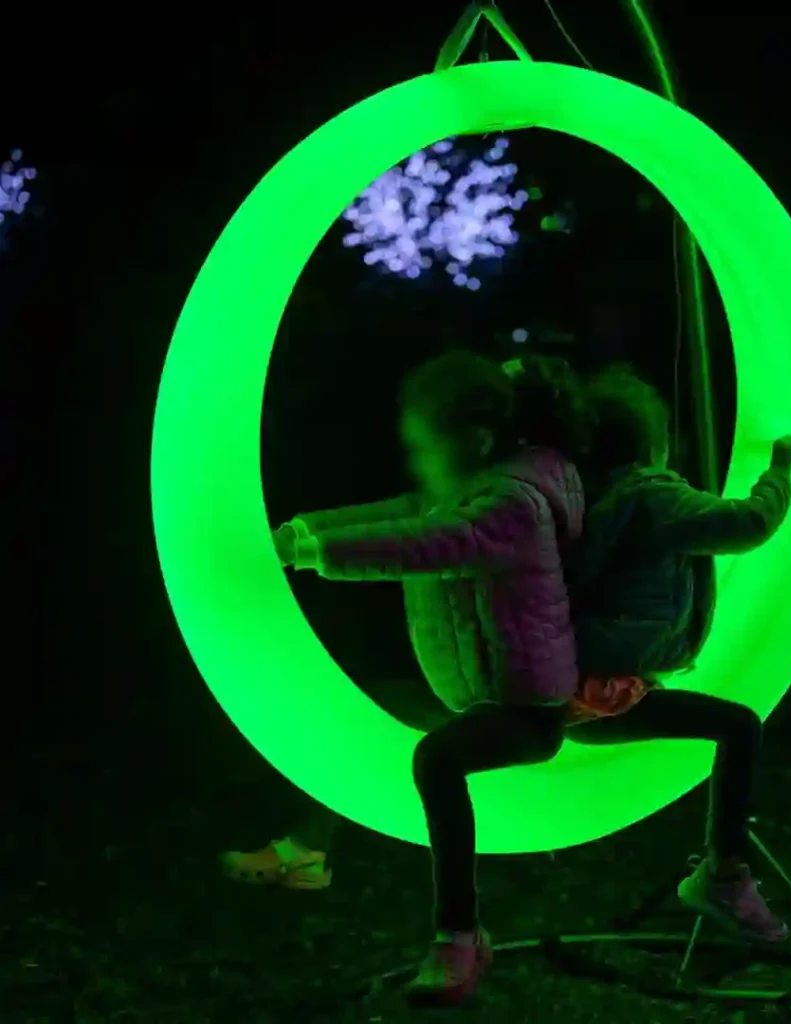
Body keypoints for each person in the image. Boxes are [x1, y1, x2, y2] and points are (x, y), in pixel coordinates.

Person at [223, 351, 589, 1006]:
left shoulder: (510, 507)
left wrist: (315, 554)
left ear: (474, 441)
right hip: (468, 693)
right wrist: (304, 529)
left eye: (423, 446)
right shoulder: (462, 487)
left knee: (437, 761)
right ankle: (307, 853)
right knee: (370, 716)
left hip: (527, 709)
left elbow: (422, 544)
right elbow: (399, 512)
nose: (415, 460)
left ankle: (459, 935)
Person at [564, 364, 791, 943]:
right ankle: (723, 873)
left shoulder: (588, 497)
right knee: (740, 726)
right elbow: (745, 524)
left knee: (724, 723)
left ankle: (723, 870)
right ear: (656, 442)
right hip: (607, 696)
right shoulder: (654, 499)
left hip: (573, 684)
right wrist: (779, 471)